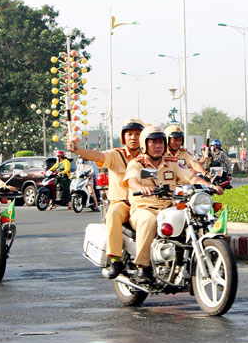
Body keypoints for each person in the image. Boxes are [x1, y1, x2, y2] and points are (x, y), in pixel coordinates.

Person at [123, 126, 222, 283]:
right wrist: (141, 187)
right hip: (144, 208)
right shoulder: (137, 164)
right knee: (148, 221)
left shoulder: (172, 163)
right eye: (153, 142)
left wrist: (208, 185)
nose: (158, 146)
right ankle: (142, 266)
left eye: (161, 142)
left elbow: (190, 177)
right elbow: (132, 180)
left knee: (193, 218)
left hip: (168, 208)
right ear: (144, 144)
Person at [67, 118, 145, 279]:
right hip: (123, 203)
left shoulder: (149, 156)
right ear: (124, 137)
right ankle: (115, 259)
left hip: (145, 203)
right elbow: (98, 155)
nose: (133, 137)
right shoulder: (116, 155)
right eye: (130, 134)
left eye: (138, 134)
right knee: (113, 214)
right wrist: (78, 150)